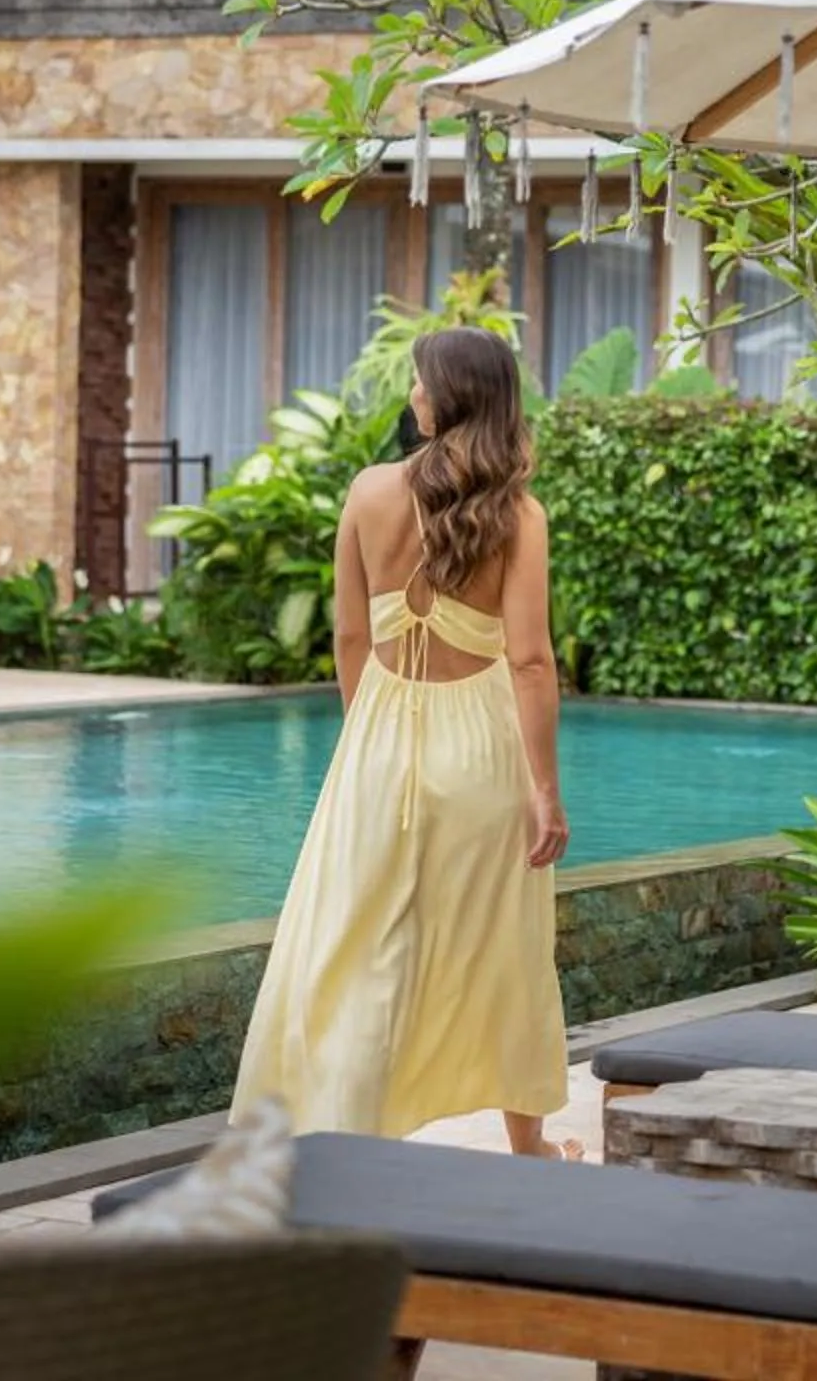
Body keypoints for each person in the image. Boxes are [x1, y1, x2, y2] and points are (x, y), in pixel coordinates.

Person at [230, 324, 573, 1156]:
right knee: (504, 947)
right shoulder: (520, 514)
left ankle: (347, 1141)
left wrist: (368, 739)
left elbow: (351, 639)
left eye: (422, 383)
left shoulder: (368, 492)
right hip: (484, 749)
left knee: (361, 945)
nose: (413, 395)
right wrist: (545, 788)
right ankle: (527, 1149)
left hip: (380, 739)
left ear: (449, 395)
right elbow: (530, 661)